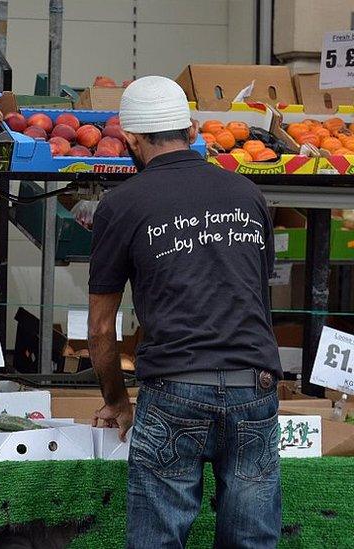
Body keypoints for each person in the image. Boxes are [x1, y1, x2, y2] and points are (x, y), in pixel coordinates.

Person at [86, 75, 282, 549]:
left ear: (130, 138)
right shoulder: (248, 195)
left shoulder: (122, 204)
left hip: (174, 386)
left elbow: (99, 327)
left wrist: (116, 399)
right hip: (253, 385)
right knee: (251, 539)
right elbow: (255, 293)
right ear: (191, 130)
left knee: (158, 539)